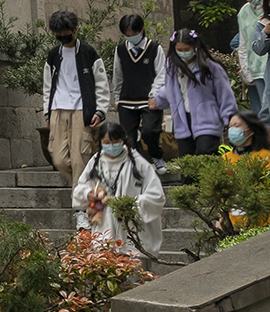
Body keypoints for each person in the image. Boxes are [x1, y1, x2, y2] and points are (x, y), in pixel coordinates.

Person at [73, 122, 164, 259]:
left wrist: (131, 205)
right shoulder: (96, 161)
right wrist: (89, 193)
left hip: (131, 229)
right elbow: (80, 188)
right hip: (104, 227)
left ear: (123, 140)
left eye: (115, 142)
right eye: (107, 142)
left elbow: (156, 196)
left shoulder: (138, 163)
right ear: (101, 143)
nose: (111, 146)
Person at [42, 11, 110, 184]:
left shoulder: (88, 53)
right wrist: (47, 112)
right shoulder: (54, 55)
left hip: (81, 110)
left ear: (75, 29)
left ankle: (80, 206)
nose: (62, 36)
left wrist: (100, 110)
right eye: (59, 34)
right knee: (59, 159)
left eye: (65, 33)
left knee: (80, 158)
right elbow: (48, 85)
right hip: (57, 110)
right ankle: (86, 183)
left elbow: (101, 83)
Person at [156, 29, 237, 156]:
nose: (183, 53)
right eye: (180, 50)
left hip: (207, 120)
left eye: (187, 49)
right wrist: (158, 100)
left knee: (205, 154)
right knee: (187, 160)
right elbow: (170, 88)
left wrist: (230, 118)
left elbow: (225, 94)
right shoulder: (171, 68)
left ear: (195, 47)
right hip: (183, 120)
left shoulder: (210, 68)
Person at [111, 14, 167, 169]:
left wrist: (154, 95)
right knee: (128, 137)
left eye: (134, 34)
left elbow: (161, 74)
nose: (131, 38)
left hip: (149, 100)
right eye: (127, 35)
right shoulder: (121, 50)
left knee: (150, 131)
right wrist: (117, 98)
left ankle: (156, 155)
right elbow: (118, 75)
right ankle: (138, 163)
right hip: (127, 99)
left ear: (142, 29)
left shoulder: (155, 49)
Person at [236, 0, 270, 120]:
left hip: (266, 67)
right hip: (254, 69)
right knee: (260, 114)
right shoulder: (243, 12)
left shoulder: (267, 8)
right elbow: (243, 44)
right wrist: (245, 69)